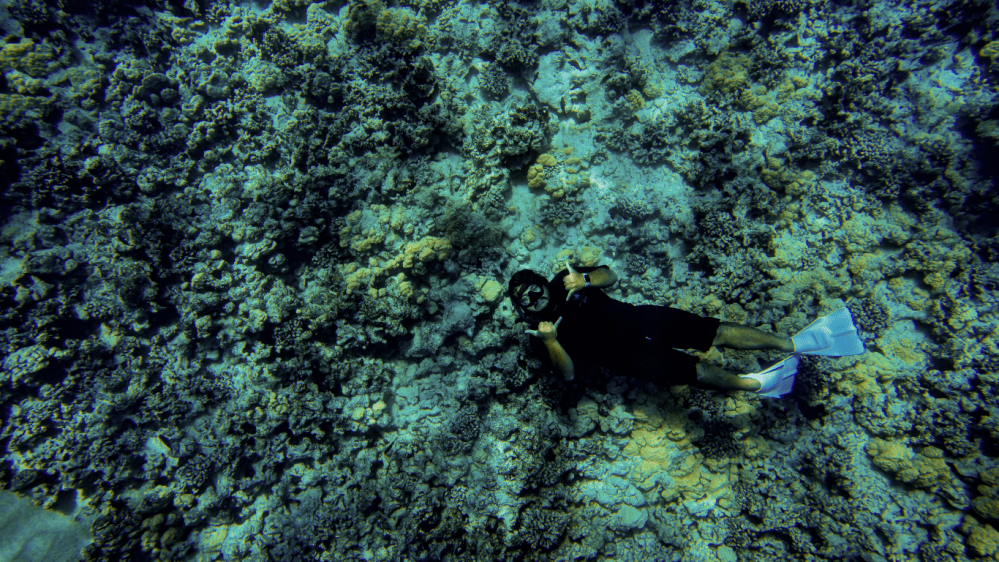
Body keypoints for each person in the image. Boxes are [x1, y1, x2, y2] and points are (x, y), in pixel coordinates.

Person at [508, 262, 866, 397]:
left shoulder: (566, 280)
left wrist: (585, 279)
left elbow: (612, 274)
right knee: (695, 372)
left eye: (535, 288)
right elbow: (568, 375)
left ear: (544, 281)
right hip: (630, 359)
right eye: (525, 299)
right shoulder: (541, 337)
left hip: (644, 319)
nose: (534, 298)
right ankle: (755, 384)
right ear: (521, 309)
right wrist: (553, 341)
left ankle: (796, 342)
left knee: (715, 331)